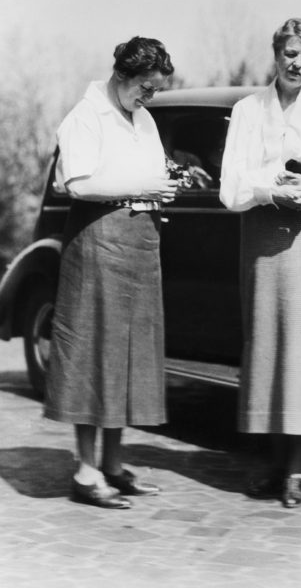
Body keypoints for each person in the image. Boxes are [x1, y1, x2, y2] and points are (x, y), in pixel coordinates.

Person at [45, 37, 180, 509]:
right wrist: (144, 184)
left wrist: (168, 183)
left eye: (156, 90)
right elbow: (78, 183)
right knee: (94, 352)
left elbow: (149, 173)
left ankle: (114, 465)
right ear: (122, 76)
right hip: (99, 242)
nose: (150, 97)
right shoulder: (85, 116)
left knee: (129, 357)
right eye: (146, 87)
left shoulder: (142, 118)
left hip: (141, 242)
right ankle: (85, 472)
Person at [220, 18, 301, 508]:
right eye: (290, 54)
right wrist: (271, 188)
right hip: (258, 235)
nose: (297, 64)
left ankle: (298, 471)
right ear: (276, 54)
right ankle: (274, 463)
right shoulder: (249, 110)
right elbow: (231, 187)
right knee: (268, 345)